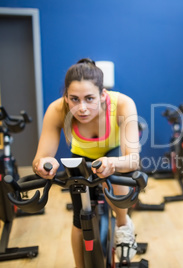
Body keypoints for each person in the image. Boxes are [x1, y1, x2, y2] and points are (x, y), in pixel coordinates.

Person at [32, 58, 140, 267]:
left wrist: (112, 164)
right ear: (66, 97)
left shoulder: (123, 104)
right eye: (74, 99)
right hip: (81, 159)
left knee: (115, 176)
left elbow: (133, 159)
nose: (81, 108)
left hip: (113, 154)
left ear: (102, 95)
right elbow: (41, 158)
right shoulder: (57, 110)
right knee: (79, 219)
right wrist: (45, 165)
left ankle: (123, 224)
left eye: (89, 98)